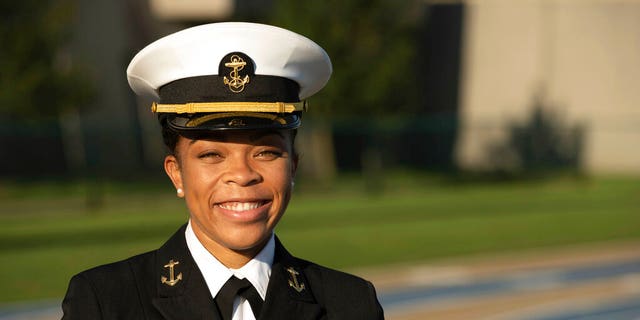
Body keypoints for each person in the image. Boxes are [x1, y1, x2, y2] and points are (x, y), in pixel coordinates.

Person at [61, 22, 384, 320]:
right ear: (176, 174)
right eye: (212, 154)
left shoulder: (350, 304)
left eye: (266, 152)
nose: (242, 175)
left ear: (292, 167)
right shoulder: (105, 301)